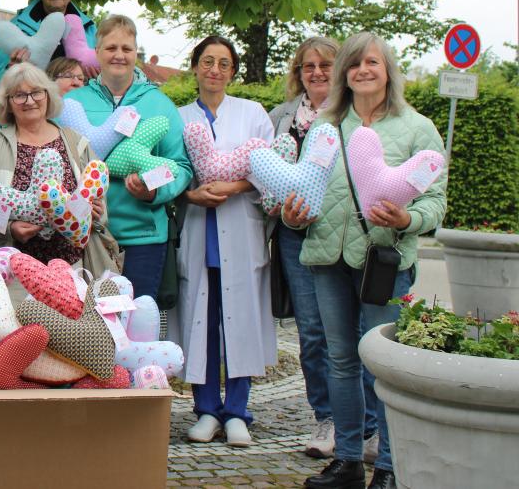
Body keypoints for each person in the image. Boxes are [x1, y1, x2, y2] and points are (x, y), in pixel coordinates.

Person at [287, 33, 447, 489]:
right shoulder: (323, 127)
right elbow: (304, 192)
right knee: (340, 360)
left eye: (371, 62)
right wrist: (293, 216)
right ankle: (349, 460)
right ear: (345, 74)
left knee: (384, 364)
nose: (362, 71)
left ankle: (391, 469)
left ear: (388, 70)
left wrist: (407, 217)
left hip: (383, 260)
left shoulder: (417, 128)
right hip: (326, 258)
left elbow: (435, 203)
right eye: (354, 64)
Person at [269, 36, 381, 459]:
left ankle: (368, 427)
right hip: (295, 233)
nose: (316, 73)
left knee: (357, 333)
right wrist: (282, 207)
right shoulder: (280, 117)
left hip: (345, 235)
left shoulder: (358, 115)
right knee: (313, 333)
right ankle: (327, 418)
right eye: (307, 66)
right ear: (297, 73)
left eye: (325, 65)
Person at [177, 36, 277, 448]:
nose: (214, 70)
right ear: (195, 67)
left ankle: (238, 411)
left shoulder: (253, 114)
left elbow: (268, 166)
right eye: (207, 61)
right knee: (202, 324)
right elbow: (175, 169)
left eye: (223, 63)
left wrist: (233, 186)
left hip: (240, 231)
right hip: (200, 231)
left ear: (232, 71)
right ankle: (205, 410)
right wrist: (191, 194)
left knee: (241, 322)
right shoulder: (179, 116)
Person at [64, 15, 192, 300]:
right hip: (85, 236)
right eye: (111, 48)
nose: (119, 55)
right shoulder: (74, 102)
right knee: (88, 331)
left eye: (126, 48)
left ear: (136, 52)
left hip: (143, 238)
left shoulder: (159, 103)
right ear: (96, 52)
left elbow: (181, 166)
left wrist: (154, 191)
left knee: (135, 329)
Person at [0, 63, 117, 276]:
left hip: (72, 270)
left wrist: (96, 212)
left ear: (48, 95)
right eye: (19, 95)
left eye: (36, 92)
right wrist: (9, 229)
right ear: (7, 103)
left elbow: (97, 192)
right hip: (12, 273)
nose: (29, 101)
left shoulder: (75, 142)